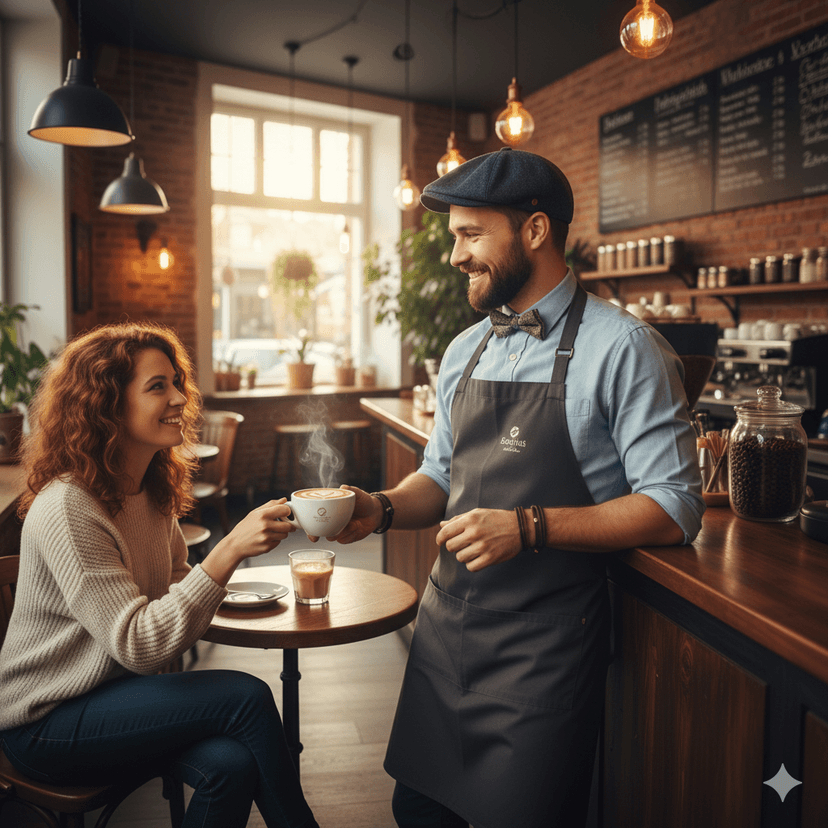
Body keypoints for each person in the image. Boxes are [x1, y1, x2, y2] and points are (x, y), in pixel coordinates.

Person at [328, 148, 705, 828]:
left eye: (471, 235)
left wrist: (529, 525)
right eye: (454, 237)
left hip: (544, 652)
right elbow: (440, 477)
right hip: (445, 635)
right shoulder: (463, 350)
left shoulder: (625, 349)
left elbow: (674, 506)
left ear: (535, 230)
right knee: (418, 811)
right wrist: (378, 508)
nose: (456, 256)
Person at [0, 321, 318, 828]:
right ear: (107, 405)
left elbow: (174, 587)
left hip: (117, 697)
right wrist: (230, 549)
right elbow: (139, 644)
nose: (180, 399)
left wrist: (239, 592)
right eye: (157, 386)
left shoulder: (147, 487)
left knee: (230, 766)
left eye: (176, 382)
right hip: (47, 721)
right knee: (246, 696)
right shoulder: (69, 506)